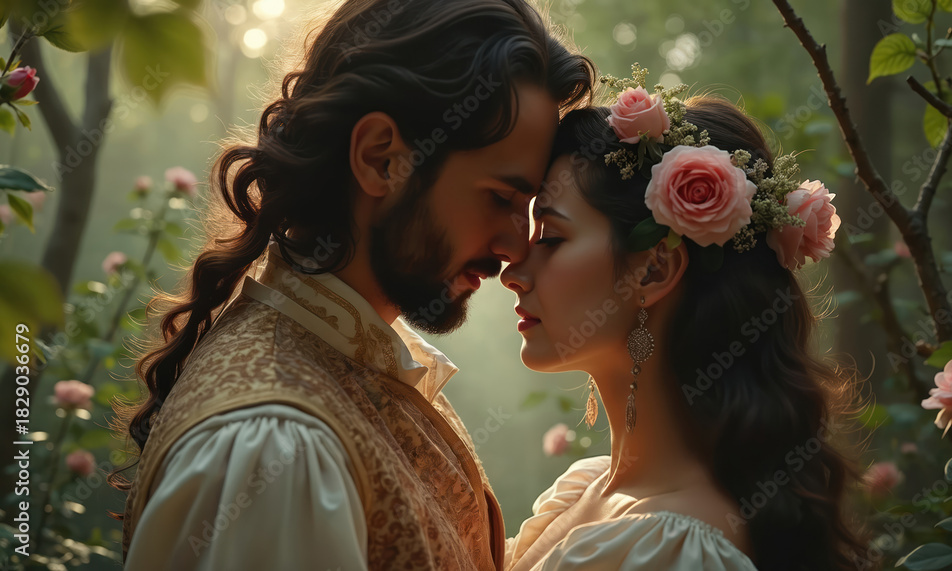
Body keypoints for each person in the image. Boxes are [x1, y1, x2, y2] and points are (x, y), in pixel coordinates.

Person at [109, 1, 594, 568]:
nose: (517, 247)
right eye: (500, 197)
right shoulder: (278, 453)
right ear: (381, 158)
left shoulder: (363, 364)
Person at [500, 70, 868, 570]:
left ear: (654, 269)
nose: (513, 273)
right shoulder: (587, 490)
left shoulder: (669, 548)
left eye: (549, 237)